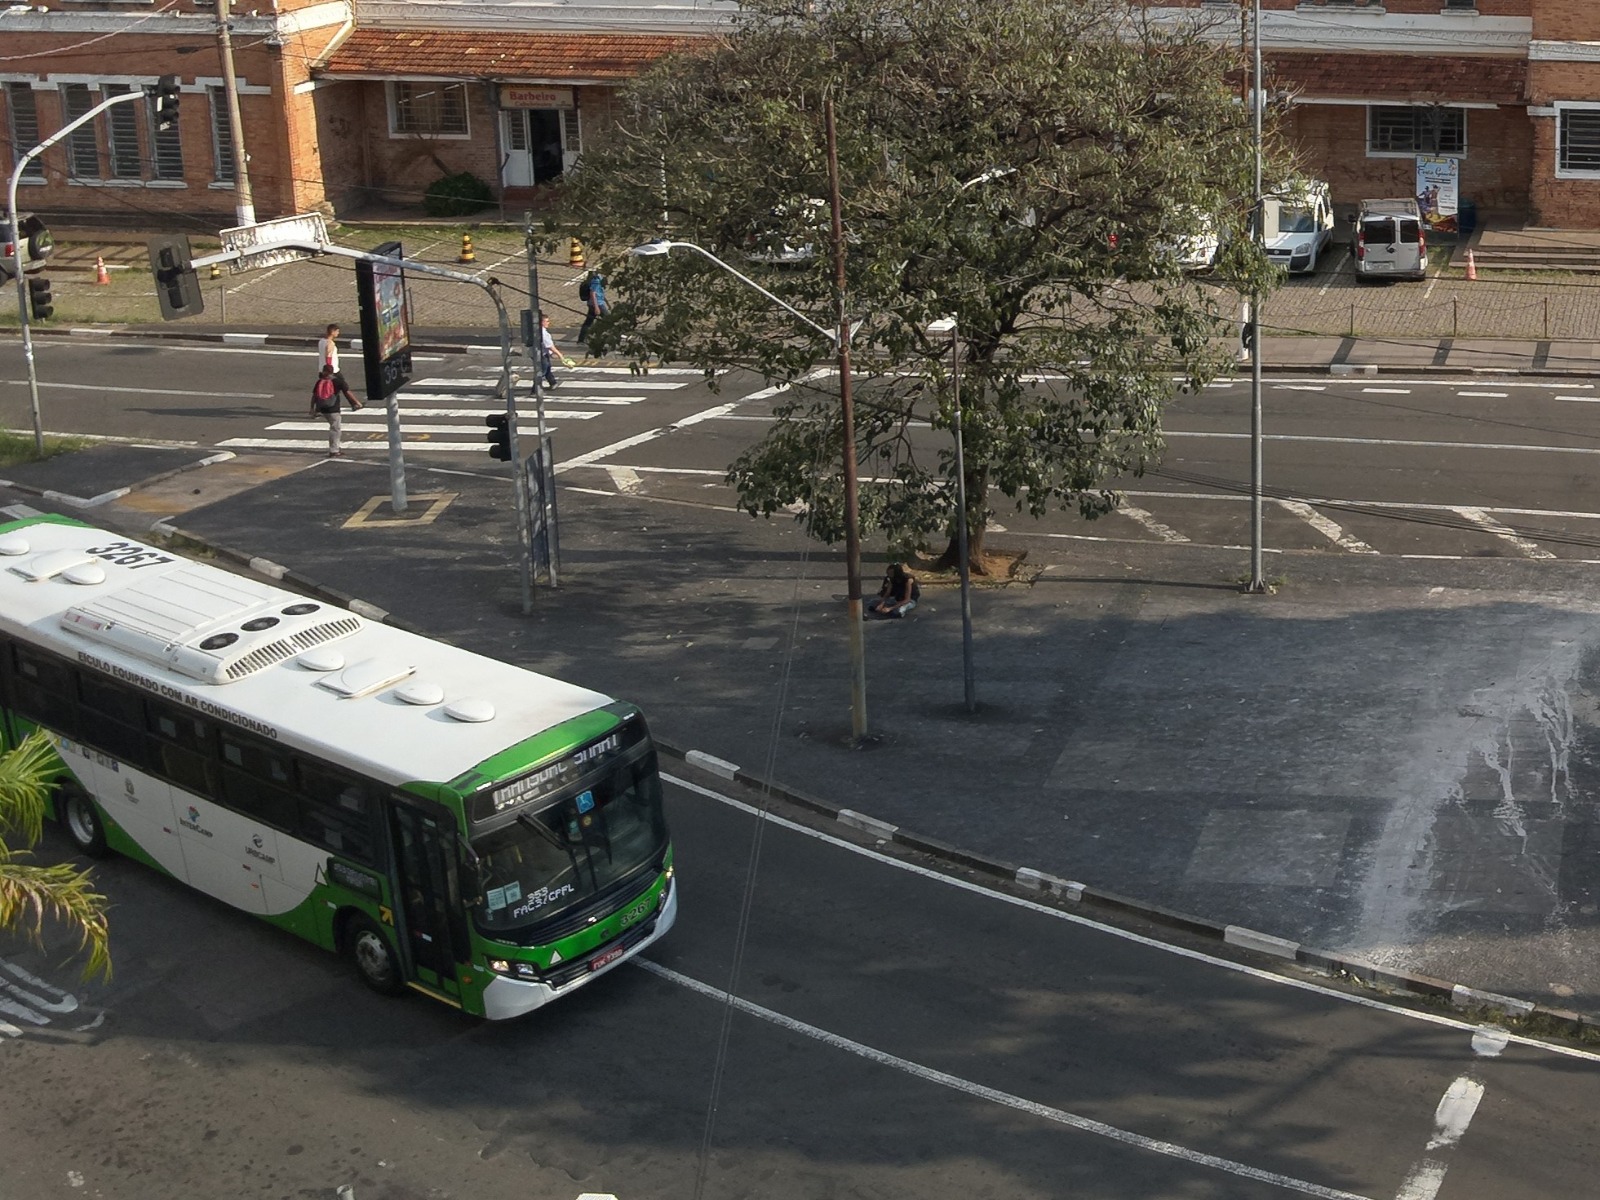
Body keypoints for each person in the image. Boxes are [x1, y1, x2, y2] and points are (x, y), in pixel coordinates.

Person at [316, 323, 363, 411]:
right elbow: (328, 356)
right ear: (332, 332)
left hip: (322, 370)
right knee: (344, 387)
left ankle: (317, 409)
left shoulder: (321, 341)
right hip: (332, 371)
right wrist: (329, 369)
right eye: (337, 331)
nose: (338, 333)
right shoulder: (330, 343)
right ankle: (355, 403)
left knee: (323, 389)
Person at [310, 365, 349, 457]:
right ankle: (334, 450)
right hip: (333, 409)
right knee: (335, 429)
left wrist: (312, 409)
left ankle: (335, 448)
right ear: (332, 371)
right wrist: (356, 403)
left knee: (333, 427)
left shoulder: (319, 381)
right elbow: (347, 390)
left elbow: (314, 396)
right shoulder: (336, 381)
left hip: (322, 408)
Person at [538, 312, 574, 388]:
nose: (548, 323)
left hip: (543, 353)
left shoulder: (541, 331)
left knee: (547, 368)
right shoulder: (543, 333)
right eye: (547, 321)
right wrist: (560, 355)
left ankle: (553, 383)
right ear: (542, 322)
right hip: (542, 354)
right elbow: (550, 346)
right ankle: (535, 390)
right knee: (543, 371)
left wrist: (551, 354)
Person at [577, 271, 609, 346]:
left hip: (594, 303)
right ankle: (612, 337)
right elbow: (593, 293)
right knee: (608, 320)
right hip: (598, 304)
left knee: (588, 322)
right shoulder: (596, 280)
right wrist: (596, 307)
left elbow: (600, 292)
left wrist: (606, 302)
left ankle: (581, 339)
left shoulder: (595, 278)